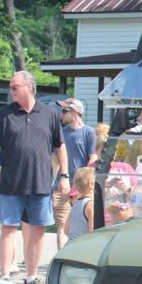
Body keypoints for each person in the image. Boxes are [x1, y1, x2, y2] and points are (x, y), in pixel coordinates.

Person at [0, 71, 69, 284]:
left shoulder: (49, 114)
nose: (11, 91)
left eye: (15, 87)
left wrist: (64, 176)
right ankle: (4, 275)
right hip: (11, 182)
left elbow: (60, 145)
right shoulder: (4, 114)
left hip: (40, 182)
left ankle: (32, 276)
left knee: (38, 230)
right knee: (8, 228)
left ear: (29, 87)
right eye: (11, 87)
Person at [53, 98, 97, 249]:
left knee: (83, 225)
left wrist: (84, 181)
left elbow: (93, 157)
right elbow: (55, 159)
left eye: (65, 111)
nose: (62, 114)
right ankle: (61, 255)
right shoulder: (61, 133)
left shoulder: (88, 132)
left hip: (81, 188)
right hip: (62, 185)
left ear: (76, 112)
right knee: (62, 224)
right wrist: (52, 181)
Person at [66, 167, 96, 240]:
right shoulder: (90, 205)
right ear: (91, 184)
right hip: (83, 245)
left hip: (71, 243)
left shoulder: (76, 203)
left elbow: (66, 230)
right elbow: (93, 232)